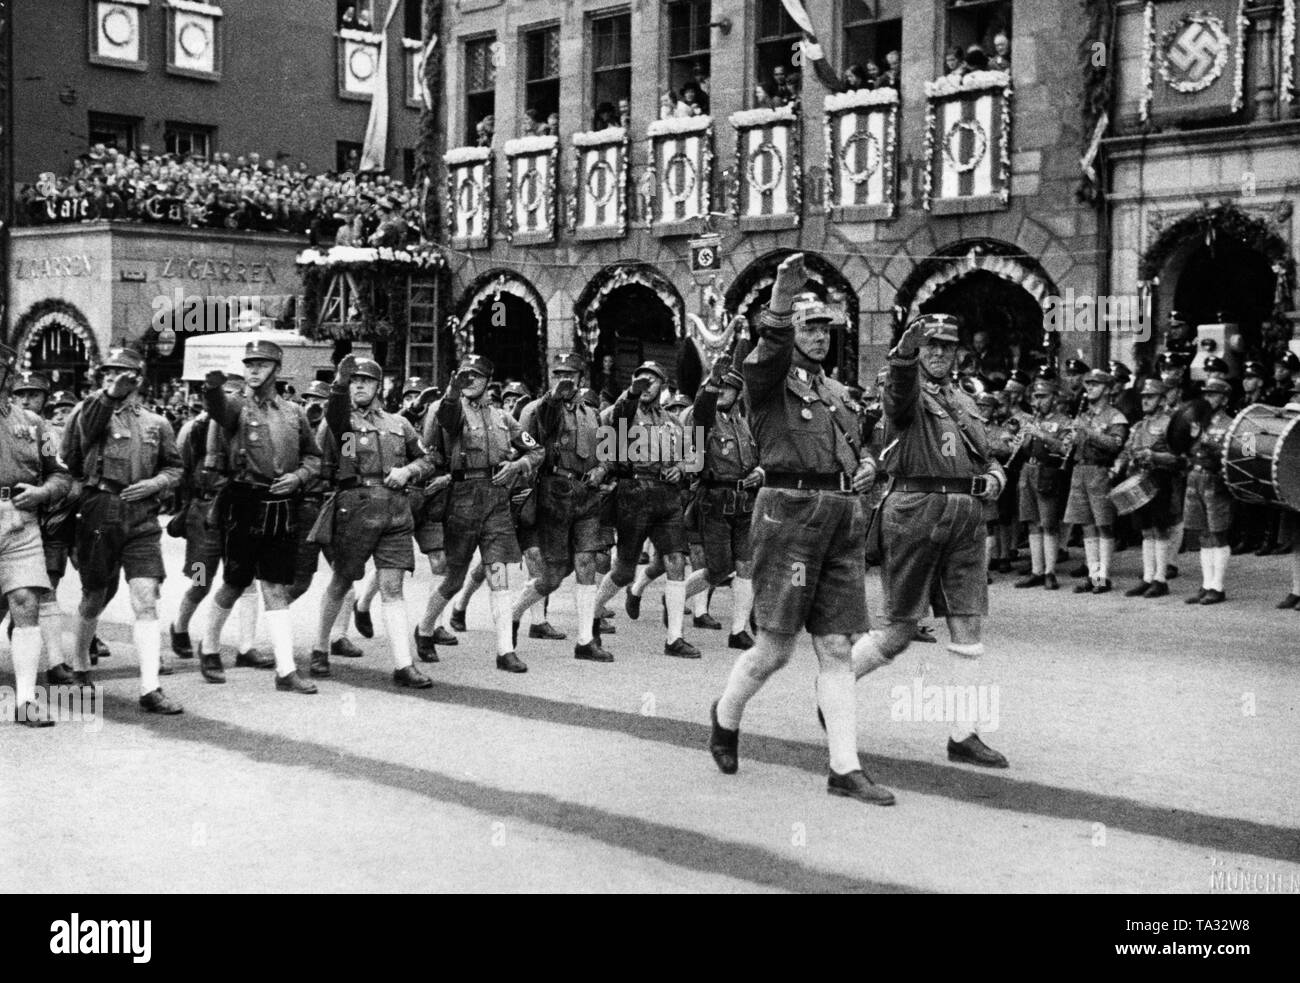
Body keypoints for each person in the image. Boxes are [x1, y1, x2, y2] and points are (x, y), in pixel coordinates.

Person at [708, 255, 888, 804]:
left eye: (824, 328)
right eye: (809, 326)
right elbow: (764, 351)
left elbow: (858, 445)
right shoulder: (766, 378)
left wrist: (868, 464)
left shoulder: (835, 392)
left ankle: (844, 768)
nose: (818, 336)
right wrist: (783, 298)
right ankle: (726, 713)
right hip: (788, 513)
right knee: (776, 649)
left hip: (839, 512)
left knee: (836, 644)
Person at [850, 311, 1009, 773]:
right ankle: (835, 684)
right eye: (930, 345)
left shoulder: (962, 399)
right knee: (900, 631)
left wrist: (995, 474)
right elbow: (898, 400)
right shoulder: (905, 391)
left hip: (966, 515)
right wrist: (901, 354)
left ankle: (963, 734)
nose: (938, 353)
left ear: (957, 352)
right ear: (918, 350)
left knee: (968, 623)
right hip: (916, 509)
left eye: (946, 346)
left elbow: (985, 451)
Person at [61, 347, 181, 715]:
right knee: (95, 593)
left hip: (142, 516)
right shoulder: (89, 410)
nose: (114, 378)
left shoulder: (156, 423)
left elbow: (175, 469)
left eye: (123, 373)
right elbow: (76, 450)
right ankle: (80, 663)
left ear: (139, 379)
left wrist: (155, 484)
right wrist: (109, 396)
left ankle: (150, 687)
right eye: (108, 372)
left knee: (146, 597)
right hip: (100, 509)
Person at [199, 340, 322, 693]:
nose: (253, 370)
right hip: (244, 501)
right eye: (249, 364)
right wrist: (211, 389)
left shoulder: (293, 413)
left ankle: (285, 671)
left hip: (282, 504)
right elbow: (219, 409)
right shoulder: (236, 407)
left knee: (276, 586)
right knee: (235, 581)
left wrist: (298, 478)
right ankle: (208, 647)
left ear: (276, 369)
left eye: (262, 364)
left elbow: (314, 458)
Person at [311, 356, 434, 685]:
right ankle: (321, 648)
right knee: (342, 581)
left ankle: (403, 665)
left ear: (379, 386)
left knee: (393, 587)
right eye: (354, 381)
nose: (359, 386)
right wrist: (339, 380)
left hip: (396, 510)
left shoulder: (398, 423)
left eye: (365, 381)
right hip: (355, 508)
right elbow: (334, 424)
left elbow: (426, 459)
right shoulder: (339, 421)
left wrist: (408, 470)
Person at [420, 355, 541, 672]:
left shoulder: (503, 417)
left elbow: (536, 449)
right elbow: (446, 421)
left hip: (497, 501)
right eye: (465, 374)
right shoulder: (449, 408)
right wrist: (451, 389)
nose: (469, 380)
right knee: (454, 578)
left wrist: (517, 466)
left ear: (489, 381)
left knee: (498, 572)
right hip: (462, 499)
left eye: (476, 376)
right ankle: (424, 629)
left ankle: (505, 650)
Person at [591, 361, 698, 659]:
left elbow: (695, 455)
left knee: (676, 560)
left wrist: (681, 468)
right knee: (624, 571)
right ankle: (594, 615)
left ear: (663, 385)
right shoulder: (620, 412)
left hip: (666, 496)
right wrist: (630, 394)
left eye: (652, 380)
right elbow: (604, 449)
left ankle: (675, 637)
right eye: (640, 379)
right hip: (632, 494)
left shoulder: (673, 421)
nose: (646, 384)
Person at [511, 351, 614, 662]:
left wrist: (603, 469)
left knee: (587, 563)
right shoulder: (535, 409)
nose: (563, 380)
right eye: (557, 374)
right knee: (553, 575)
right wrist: (551, 402)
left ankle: (585, 641)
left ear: (581, 379)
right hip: (553, 496)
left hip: (587, 494)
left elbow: (606, 450)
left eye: (569, 374)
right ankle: (513, 614)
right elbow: (527, 446)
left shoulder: (591, 413)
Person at [1, 348, 73, 725]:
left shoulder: (34, 425)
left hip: (20, 520)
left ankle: (25, 701)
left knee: (26, 600)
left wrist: (42, 493)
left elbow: (60, 475)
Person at [681, 356, 762, 649]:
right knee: (718, 569)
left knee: (746, 565)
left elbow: (761, 453)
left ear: (738, 393)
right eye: (720, 387)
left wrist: (760, 472)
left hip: (744, 500)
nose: (723, 393)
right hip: (714, 499)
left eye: (728, 388)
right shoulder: (704, 418)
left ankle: (738, 631)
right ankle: (675, 597)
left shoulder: (744, 423)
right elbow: (702, 408)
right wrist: (712, 382)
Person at [1063, 369, 1129, 594]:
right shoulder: (1084, 414)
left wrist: (1088, 432)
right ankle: (1093, 576)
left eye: (1096, 384)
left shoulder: (1115, 416)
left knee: (1103, 525)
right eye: (1088, 384)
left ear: (1108, 389)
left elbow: (1115, 444)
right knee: (1086, 526)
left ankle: (1103, 577)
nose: (1089, 388)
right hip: (1079, 470)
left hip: (1100, 472)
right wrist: (1070, 438)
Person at [1113, 379, 1178, 598]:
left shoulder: (1170, 423)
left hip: (1160, 479)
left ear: (1162, 400)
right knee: (1145, 530)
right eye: (1144, 397)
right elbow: (1127, 450)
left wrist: (1155, 456)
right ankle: (1148, 577)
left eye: (1150, 397)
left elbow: (1178, 457)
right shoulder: (1139, 426)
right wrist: (1119, 465)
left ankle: (1160, 579)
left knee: (1159, 529)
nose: (1145, 401)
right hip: (1139, 479)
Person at [1014, 379, 1072, 590]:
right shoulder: (1032, 420)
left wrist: (1041, 435)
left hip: (1048, 472)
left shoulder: (1064, 421)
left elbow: (1065, 449)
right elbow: (1022, 449)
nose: (1037, 402)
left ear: (1054, 399)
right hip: (1028, 471)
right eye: (1035, 398)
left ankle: (1050, 572)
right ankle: (1036, 570)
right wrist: (1023, 439)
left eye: (1042, 397)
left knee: (1048, 523)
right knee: (1032, 522)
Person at [1181, 378, 1235, 605]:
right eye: (1206, 394)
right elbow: (1188, 449)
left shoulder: (1234, 423)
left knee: (1217, 532)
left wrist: (1209, 444)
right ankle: (1206, 584)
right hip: (1196, 475)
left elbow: (1246, 453)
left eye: (1213, 394)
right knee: (1202, 533)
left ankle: (1218, 586)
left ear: (1224, 398)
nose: (1208, 398)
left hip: (1215, 479)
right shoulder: (1201, 421)